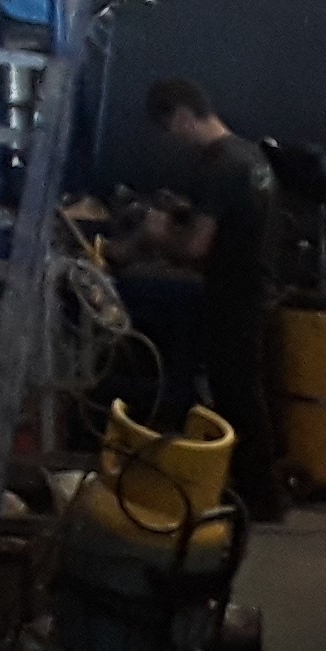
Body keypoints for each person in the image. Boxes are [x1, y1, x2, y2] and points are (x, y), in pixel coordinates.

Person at [128, 77, 285, 520]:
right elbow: (239, 219)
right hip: (258, 289)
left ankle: (262, 499)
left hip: (233, 296)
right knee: (246, 393)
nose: (173, 140)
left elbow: (195, 248)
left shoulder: (218, 167)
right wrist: (185, 211)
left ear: (182, 115)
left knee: (236, 396)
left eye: (170, 129)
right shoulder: (249, 156)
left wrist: (158, 235)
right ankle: (254, 490)